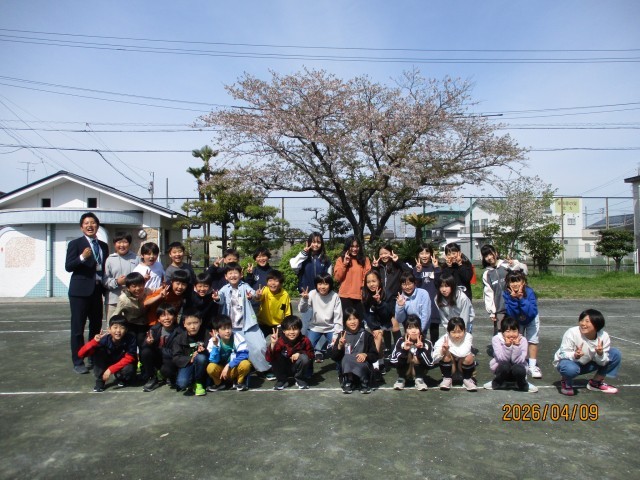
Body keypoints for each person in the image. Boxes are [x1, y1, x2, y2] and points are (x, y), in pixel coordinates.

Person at [65, 212, 109, 374]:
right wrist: (82, 257)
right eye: (86, 223)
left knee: (96, 327)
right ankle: (78, 361)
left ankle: (92, 356)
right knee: (78, 328)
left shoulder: (103, 246)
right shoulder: (75, 244)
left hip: (97, 290)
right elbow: (69, 266)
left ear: (97, 226)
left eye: (93, 223)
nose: (90, 226)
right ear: (81, 227)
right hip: (79, 292)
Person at [213, 263, 269, 372]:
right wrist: (217, 298)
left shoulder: (245, 286)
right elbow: (221, 298)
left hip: (248, 325)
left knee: (260, 347)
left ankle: (264, 369)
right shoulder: (224, 288)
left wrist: (256, 295)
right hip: (231, 327)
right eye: (230, 273)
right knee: (234, 350)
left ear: (241, 275)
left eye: (235, 273)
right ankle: (236, 372)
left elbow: (253, 294)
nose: (233, 275)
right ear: (226, 276)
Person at [553, 309, 621, 396]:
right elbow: (563, 353)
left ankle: (596, 383)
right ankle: (566, 382)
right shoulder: (572, 332)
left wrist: (600, 354)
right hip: (570, 363)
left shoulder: (604, 336)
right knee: (570, 368)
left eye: (587, 321)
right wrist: (575, 355)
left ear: (596, 324)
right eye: (581, 320)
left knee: (615, 354)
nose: (583, 324)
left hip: (588, 363)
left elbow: (603, 362)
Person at [77, 314, 137, 392]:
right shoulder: (104, 340)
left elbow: (130, 357)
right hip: (107, 362)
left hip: (119, 363)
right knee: (98, 352)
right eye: (115, 327)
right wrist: (94, 342)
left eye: (122, 328)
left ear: (126, 330)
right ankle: (100, 380)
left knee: (129, 368)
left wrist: (111, 370)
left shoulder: (131, 338)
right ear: (109, 329)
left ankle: (121, 377)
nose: (118, 331)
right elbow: (80, 354)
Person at [372, 244, 412, 355]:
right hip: (381, 299)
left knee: (394, 325)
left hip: (394, 299)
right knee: (385, 325)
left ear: (391, 253)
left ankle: (398, 348)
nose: (384, 256)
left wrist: (398, 261)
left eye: (386, 253)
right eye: (381, 254)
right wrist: (374, 267)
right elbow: (371, 279)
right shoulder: (378, 267)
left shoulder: (396, 266)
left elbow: (409, 272)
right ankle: (388, 348)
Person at [290, 232, 332, 332]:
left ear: (322, 244)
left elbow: (329, 279)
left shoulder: (326, 260)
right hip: (307, 297)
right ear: (309, 243)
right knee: (306, 327)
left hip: (322, 298)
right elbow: (293, 265)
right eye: (313, 242)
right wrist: (303, 253)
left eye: (318, 242)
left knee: (322, 326)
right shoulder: (303, 258)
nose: (316, 244)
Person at [503, 270, 542, 379]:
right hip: (516, 319)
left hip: (531, 318)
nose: (515, 284)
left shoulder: (529, 292)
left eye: (518, 281)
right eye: (512, 281)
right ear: (508, 283)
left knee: (532, 340)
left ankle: (532, 366)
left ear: (523, 282)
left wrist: (521, 298)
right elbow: (511, 313)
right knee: (517, 339)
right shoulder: (506, 294)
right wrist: (513, 299)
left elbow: (531, 312)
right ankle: (520, 364)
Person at [481, 244, 528, 334]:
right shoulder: (487, 274)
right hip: (499, 310)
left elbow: (525, 271)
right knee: (499, 335)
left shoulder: (507, 265)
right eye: (486, 256)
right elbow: (488, 293)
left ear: (496, 253)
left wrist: (515, 263)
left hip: (514, 306)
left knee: (516, 333)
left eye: (490, 254)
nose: (489, 257)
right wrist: (492, 312)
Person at [329, 308, 377, 394]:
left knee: (356, 359)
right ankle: (348, 381)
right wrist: (339, 346)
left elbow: (375, 355)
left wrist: (366, 355)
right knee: (347, 357)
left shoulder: (367, 335)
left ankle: (364, 381)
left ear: (359, 320)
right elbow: (334, 357)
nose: (352, 322)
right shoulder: (342, 335)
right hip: (347, 368)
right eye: (349, 319)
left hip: (362, 366)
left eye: (355, 318)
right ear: (345, 322)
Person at [483, 316, 538, 392]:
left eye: (514, 331)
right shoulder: (496, 339)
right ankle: (497, 382)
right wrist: (507, 346)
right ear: (502, 332)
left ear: (518, 331)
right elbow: (502, 359)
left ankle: (522, 384)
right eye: (508, 331)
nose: (511, 334)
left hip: (517, 368)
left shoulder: (523, 340)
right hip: (502, 369)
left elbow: (518, 361)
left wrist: (516, 346)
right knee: (505, 366)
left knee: (518, 368)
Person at [299, 273, 343, 362]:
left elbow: (338, 317)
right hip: (315, 327)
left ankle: (340, 369)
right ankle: (308, 370)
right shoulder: (312, 294)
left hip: (331, 328)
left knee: (339, 348)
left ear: (330, 285)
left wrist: (336, 334)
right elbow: (302, 310)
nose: (322, 287)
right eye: (320, 284)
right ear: (316, 285)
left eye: (326, 284)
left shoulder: (335, 296)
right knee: (307, 349)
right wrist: (304, 299)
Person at [139, 303, 183, 392]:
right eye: (163, 315)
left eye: (170, 314)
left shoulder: (180, 332)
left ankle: (171, 376)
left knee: (167, 371)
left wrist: (158, 349)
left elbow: (176, 353)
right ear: (159, 319)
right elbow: (144, 348)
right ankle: (152, 377)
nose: (166, 318)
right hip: (158, 358)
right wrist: (148, 343)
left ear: (175, 317)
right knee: (145, 352)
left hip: (171, 360)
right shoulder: (154, 329)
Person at [265, 315, 314, 390]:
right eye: (288, 329)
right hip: (283, 368)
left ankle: (299, 379)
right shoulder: (280, 341)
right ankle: (282, 380)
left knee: (304, 358)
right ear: (283, 331)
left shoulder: (305, 340)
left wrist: (300, 353)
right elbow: (269, 358)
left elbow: (312, 354)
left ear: (300, 329)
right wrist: (273, 344)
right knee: (275, 356)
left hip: (297, 368)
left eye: (295, 329)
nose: (291, 332)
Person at [206, 315, 253, 392]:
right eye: (224, 329)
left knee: (245, 364)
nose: (227, 331)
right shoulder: (213, 341)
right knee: (210, 367)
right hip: (221, 371)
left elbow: (244, 355)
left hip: (234, 369)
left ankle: (239, 382)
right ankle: (219, 384)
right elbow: (214, 360)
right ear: (217, 331)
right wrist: (215, 346)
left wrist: (229, 365)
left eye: (229, 328)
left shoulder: (237, 337)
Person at [361, 269, 394, 376]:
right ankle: (380, 363)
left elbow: (388, 315)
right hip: (371, 323)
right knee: (377, 334)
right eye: (368, 282)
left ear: (379, 281)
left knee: (378, 334)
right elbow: (367, 315)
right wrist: (374, 327)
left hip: (385, 322)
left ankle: (374, 365)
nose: (371, 284)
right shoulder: (365, 294)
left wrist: (379, 302)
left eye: (374, 281)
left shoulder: (387, 293)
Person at [389, 315, 434, 391]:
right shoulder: (400, 341)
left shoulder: (427, 343)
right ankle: (401, 378)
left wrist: (421, 350)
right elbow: (393, 361)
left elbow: (430, 364)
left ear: (420, 329)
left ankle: (419, 379)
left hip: (419, 371)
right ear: (405, 330)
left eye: (416, 328)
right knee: (409, 354)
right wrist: (404, 350)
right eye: (410, 328)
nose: (413, 331)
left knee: (415, 355)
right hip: (405, 370)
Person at [432, 317, 477, 391]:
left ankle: (467, 379)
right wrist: (443, 351)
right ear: (448, 331)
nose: (457, 335)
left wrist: (449, 349)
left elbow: (463, 353)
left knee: (469, 356)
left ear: (465, 330)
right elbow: (434, 358)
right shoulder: (444, 339)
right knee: (446, 355)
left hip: (461, 366)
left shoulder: (468, 336)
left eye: (460, 332)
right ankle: (447, 379)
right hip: (451, 368)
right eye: (453, 332)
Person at [103, 233, 139, 320]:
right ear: (114, 244)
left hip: (132, 300)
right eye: (119, 242)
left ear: (129, 244)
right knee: (113, 325)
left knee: (131, 325)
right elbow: (105, 280)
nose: (122, 245)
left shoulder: (136, 258)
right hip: (113, 300)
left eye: (125, 242)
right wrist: (117, 282)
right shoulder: (110, 259)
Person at [172, 310, 209, 396]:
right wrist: (190, 358)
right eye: (189, 324)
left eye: (195, 323)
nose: (193, 326)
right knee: (182, 383)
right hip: (187, 364)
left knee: (201, 358)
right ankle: (191, 382)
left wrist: (205, 351)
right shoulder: (179, 338)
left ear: (200, 322)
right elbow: (176, 357)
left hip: (202, 364)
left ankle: (198, 382)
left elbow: (213, 353)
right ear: (184, 324)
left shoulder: (207, 334)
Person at [333, 236, 371, 319]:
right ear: (347, 247)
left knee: (359, 322)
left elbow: (367, 277)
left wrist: (363, 289)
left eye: (357, 246)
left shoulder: (365, 260)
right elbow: (337, 278)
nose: (354, 249)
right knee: (346, 322)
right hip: (345, 296)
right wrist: (345, 264)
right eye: (352, 246)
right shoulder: (341, 259)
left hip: (360, 296)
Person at [112, 272, 150, 351]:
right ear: (128, 288)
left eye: (140, 285)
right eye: (134, 286)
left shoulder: (148, 292)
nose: (138, 288)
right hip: (130, 324)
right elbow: (116, 314)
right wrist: (112, 328)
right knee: (131, 344)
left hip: (144, 323)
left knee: (143, 344)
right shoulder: (123, 299)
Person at [413, 243, 442, 344]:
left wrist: (437, 268)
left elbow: (439, 284)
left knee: (434, 329)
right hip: (421, 304)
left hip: (434, 303)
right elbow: (415, 286)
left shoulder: (436, 268)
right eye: (421, 253)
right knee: (421, 329)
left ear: (431, 254)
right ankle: (421, 349)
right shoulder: (416, 269)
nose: (424, 256)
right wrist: (418, 272)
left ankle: (434, 349)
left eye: (427, 253)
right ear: (418, 255)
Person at [256, 269, 292, 336]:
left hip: (278, 324)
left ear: (281, 284)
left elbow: (287, 313)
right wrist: (257, 296)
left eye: (276, 281)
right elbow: (258, 298)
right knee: (258, 341)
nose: (273, 283)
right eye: (270, 280)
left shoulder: (285, 294)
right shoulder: (265, 290)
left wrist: (285, 325)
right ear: (267, 283)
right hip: (263, 323)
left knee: (283, 340)